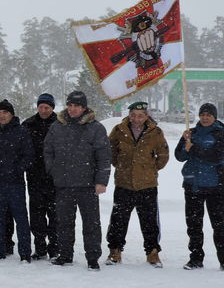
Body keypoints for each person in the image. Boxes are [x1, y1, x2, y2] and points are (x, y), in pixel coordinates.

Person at [44, 91, 111, 271]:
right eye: (70, 105)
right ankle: (65, 255)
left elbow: (104, 157)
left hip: (87, 185)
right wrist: (53, 169)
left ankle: (92, 258)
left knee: (91, 224)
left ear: (84, 108)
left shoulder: (96, 128)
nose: (72, 109)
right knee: (64, 223)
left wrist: (101, 181)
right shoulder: (57, 126)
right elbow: (48, 150)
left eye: (76, 106)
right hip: (63, 184)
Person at [105, 102, 169, 267]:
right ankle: (115, 250)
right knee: (118, 220)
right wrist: (120, 166)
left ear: (146, 116)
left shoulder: (155, 132)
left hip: (147, 185)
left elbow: (163, 155)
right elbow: (110, 151)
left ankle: (152, 252)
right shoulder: (119, 130)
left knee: (149, 221)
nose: (136, 119)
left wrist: (150, 169)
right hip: (124, 183)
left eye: (140, 115)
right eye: (133, 115)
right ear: (129, 115)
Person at [174, 103, 224, 270]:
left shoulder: (220, 133)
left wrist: (193, 148)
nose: (205, 117)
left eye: (209, 115)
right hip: (193, 185)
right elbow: (180, 156)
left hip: (216, 186)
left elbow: (216, 157)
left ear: (214, 117)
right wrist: (185, 141)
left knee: (219, 225)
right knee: (194, 226)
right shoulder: (192, 133)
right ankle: (196, 259)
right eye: (202, 114)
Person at [0, 100, 34, 262]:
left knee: (21, 219)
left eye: (5, 112)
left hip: (15, 183)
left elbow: (29, 155)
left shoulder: (21, 131)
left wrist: (17, 169)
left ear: (11, 115)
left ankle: (25, 253)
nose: (2, 115)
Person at [21, 93, 58, 260]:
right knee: (37, 215)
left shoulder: (60, 124)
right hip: (35, 176)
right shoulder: (28, 124)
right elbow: (21, 148)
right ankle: (40, 247)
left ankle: (55, 247)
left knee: (55, 215)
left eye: (47, 107)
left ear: (52, 108)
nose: (43, 110)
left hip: (55, 178)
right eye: (41, 107)